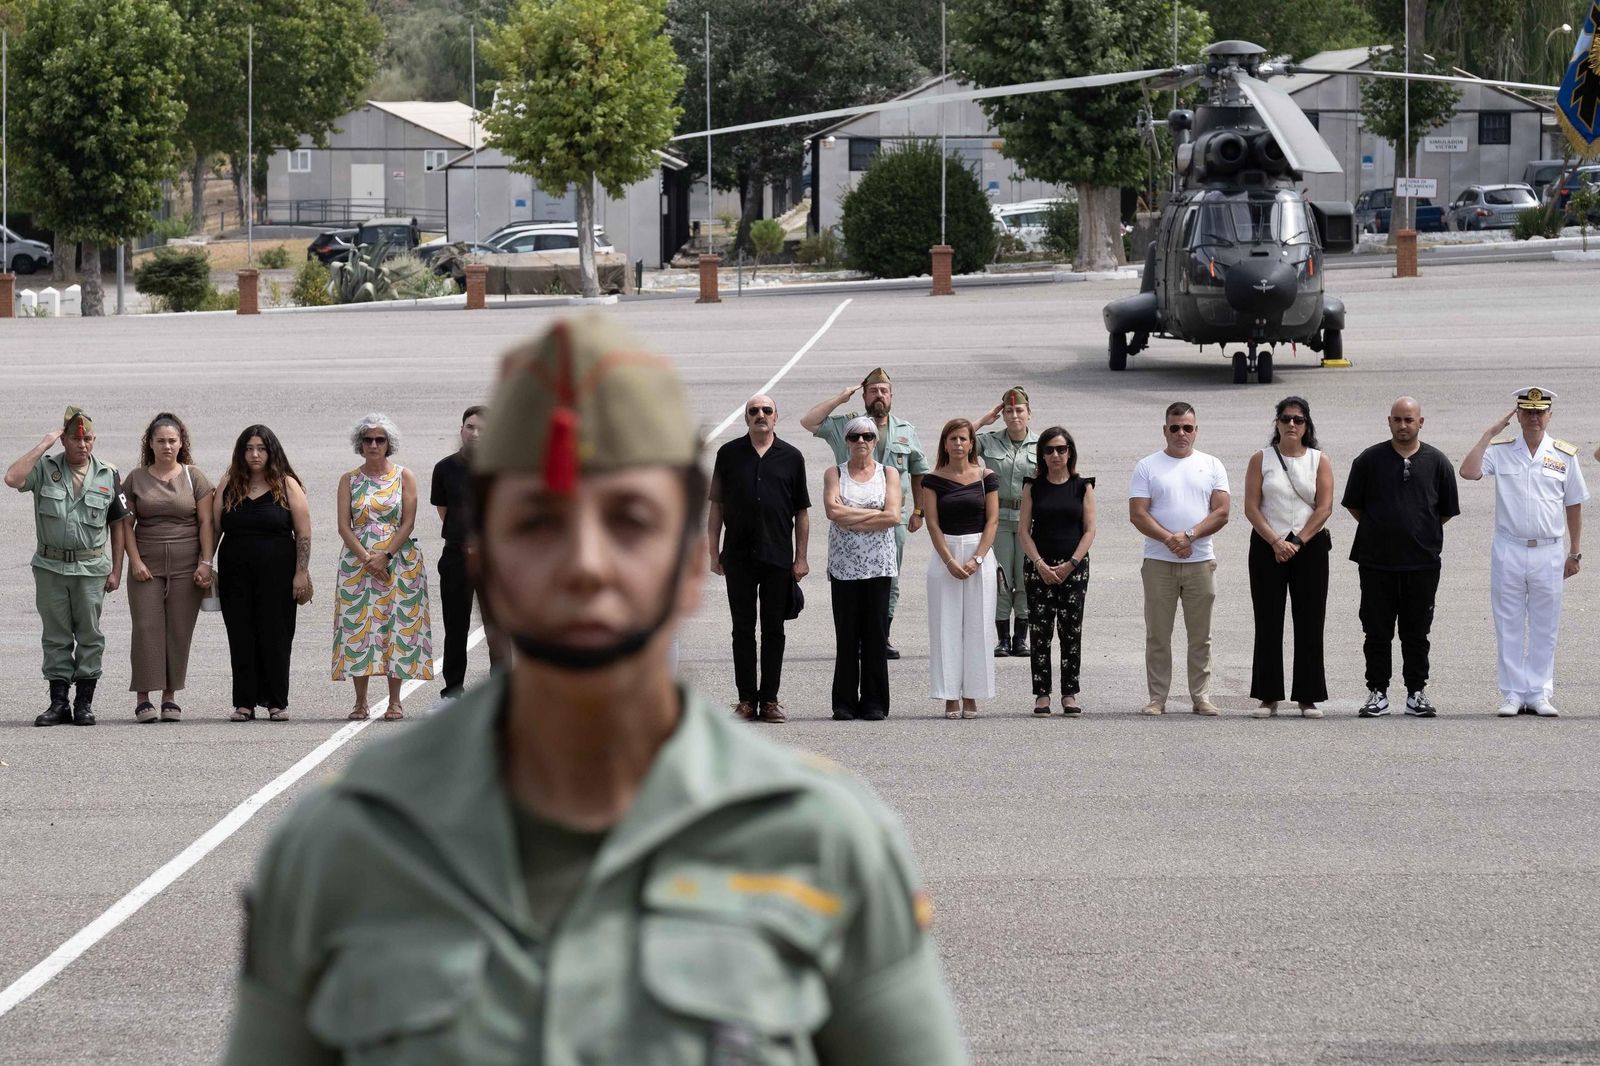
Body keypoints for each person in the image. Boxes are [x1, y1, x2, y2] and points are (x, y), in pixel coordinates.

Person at [223, 315, 966, 1065]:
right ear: (489, 563)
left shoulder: (822, 847)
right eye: (541, 522)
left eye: (628, 520)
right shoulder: (345, 850)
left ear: (685, 564)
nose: (584, 565)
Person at [1461, 387, 1587, 717]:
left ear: (1549, 415)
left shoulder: (1564, 455)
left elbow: (1573, 503)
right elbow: (1469, 471)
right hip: (1509, 548)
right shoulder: (1501, 451)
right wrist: (1489, 433)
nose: (1534, 417)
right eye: (1527, 412)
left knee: (1546, 624)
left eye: (1539, 412)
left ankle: (1540, 691)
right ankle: (1513, 693)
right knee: (1509, 622)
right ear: (1516, 415)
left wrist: (1575, 552)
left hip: (1548, 550)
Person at [4, 406, 130, 727]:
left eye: (88, 439)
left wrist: (117, 569)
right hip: (51, 566)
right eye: (76, 440)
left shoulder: (108, 473)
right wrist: (43, 444)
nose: (83, 445)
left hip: (90, 568)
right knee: (56, 636)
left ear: (94, 439)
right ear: (64, 440)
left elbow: (118, 524)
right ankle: (58, 703)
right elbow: (12, 478)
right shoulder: (46, 469)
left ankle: (84, 703)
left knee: (89, 635)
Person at [1342, 396, 1460, 718]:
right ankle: (1377, 692)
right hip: (1376, 562)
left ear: (1421, 422)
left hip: (1421, 564)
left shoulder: (1437, 462)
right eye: (1398, 419)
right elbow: (1355, 504)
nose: (1403, 425)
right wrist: (1383, 528)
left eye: (1409, 420)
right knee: (1376, 630)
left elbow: (1446, 510)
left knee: (1417, 631)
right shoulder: (1368, 460)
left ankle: (1416, 693)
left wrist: (1418, 532)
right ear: (1389, 421)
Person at [801, 368, 928, 658]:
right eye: (873, 391)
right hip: (849, 522)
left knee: (889, 580)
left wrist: (919, 510)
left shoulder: (905, 430)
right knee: (852, 585)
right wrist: (839, 399)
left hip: (891, 519)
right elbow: (808, 421)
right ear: (864, 394)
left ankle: (881, 636)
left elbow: (920, 473)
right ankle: (857, 638)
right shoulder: (847, 426)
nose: (879, 396)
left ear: (891, 396)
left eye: (884, 391)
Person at [708, 393, 811, 723]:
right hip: (737, 556)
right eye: (754, 411)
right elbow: (716, 508)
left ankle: (769, 700)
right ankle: (745, 700)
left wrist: (801, 558)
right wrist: (714, 551)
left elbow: (801, 512)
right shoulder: (728, 454)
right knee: (742, 630)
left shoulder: (791, 457)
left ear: (776, 417)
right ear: (746, 418)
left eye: (767, 410)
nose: (760, 415)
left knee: (774, 630)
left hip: (777, 557)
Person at [1128, 402, 1230, 716]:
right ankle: (1158, 697)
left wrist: (1189, 536)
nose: (1181, 434)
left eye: (1188, 427)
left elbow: (1222, 511)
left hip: (1200, 561)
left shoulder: (1212, 464)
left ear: (1196, 430)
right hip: (1159, 562)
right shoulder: (1147, 466)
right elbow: (1138, 513)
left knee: (1201, 635)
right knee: (1158, 634)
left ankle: (1201, 697)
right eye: (1175, 427)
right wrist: (1170, 540)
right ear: (1165, 430)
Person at [334, 414, 434, 721]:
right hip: (358, 559)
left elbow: (408, 521)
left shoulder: (405, 476)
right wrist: (367, 558)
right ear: (359, 444)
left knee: (397, 626)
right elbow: (343, 525)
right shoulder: (349, 479)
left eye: (380, 439)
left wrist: (385, 556)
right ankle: (360, 701)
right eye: (368, 440)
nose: (374, 445)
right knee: (359, 628)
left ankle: (395, 701)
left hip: (399, 560)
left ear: (389, 444)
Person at [1242, 397, 1334, 719]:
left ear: (1307, 424)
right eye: (1285, 419)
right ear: (1277, 423)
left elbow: (1324, 507)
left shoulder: (1319, 460)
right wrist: (1275, 541)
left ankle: (1308, 696)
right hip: (1268, 546)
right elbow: (1251, 506)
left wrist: (1297, 541)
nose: (1291, 425)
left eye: (1297, 419)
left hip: (1308, 547)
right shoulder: (1261, 459)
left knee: (1310, 620)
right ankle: (1268, 696)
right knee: (1268, 621)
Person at [212, 426, 312, 722]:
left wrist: (301, 573)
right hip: (235, 573)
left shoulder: (287, 484)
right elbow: (214, 528)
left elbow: (303, 533)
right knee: (241, 635)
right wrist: (206, 562)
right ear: (241, 453)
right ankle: (244, 702)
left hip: (279, 573)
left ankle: (276, 701)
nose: (255, 454)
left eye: (261, 448)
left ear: (272, 452)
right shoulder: (229, 483)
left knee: (276, 635)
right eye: (249, 448)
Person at [122, 413, 215, 723]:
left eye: (172, 440)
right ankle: (143, 696)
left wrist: (206, 562)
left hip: (186, 564)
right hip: (145, 563)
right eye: (160, 440)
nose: (166, 446)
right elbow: (125, 524)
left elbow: (206, 522)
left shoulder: (194, 477)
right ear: (150, 443)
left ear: (181, 443)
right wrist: (134, 561)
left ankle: (170, 696)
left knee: (178, 630)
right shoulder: (136, 478)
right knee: (146, 628)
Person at [430, 405, 511, 708]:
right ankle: (452, 693)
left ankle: (502, 694)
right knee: (455, 627)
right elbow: (444, 512)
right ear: (461, 429)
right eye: (470, 427)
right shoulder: (445, 468)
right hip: (455, 558)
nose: (475, 433)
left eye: (482, 429)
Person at [824, 415, 903, 721]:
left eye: (867, 437)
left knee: (874, 634)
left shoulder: (888, 473)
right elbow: (832, 511)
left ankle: (874, 701)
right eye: (855, 437)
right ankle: (843, 701)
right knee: (846, 635)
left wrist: (851, 515)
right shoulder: (835, 473)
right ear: (846, 441)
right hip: (844, 567)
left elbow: (893, 516)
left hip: (879, 566)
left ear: (875, 441)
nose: (861, 442)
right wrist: (872, 514)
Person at [921, 418, 999, 719]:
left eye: (963, 439)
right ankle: (949, 695)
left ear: (971, 443)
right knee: (946, 626)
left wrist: (978, 558)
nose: (957, 444)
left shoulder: (986, 476)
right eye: (952, 439)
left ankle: (972, 694)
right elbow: (932, 523)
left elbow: (992, 521)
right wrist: (950, 561)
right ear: (944, 443)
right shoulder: (933, 479)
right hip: (946, 555)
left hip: (979, 553)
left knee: (977, 626)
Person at [1018, 427, 1095, 715]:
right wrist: (1039, 563)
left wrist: (1071, 564)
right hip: (1039, 566)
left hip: (1074, 567)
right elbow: (1023, 531)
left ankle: (1069, 693)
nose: (1055, 455)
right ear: (1042, 454)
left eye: (1061, 449)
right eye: (1049, 450)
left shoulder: (1083, 486)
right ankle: (1041, 694)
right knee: (1040, 632)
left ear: (1070, 452)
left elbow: (1089, 530)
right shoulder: (1033, 487)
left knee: (1071, 631)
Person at [971, 387, 1039, 657]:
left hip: (1028, 521)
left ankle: (1021, 638)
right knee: (1000, 577)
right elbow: (959, 439)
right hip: (997, 519)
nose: (1014, 416)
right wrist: (983, 420)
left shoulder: (1042, 444)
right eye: (1008, 411)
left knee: (1024, 577)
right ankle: (1002, 639)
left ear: (1029, 414)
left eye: (1019, 410)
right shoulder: (989, 442)